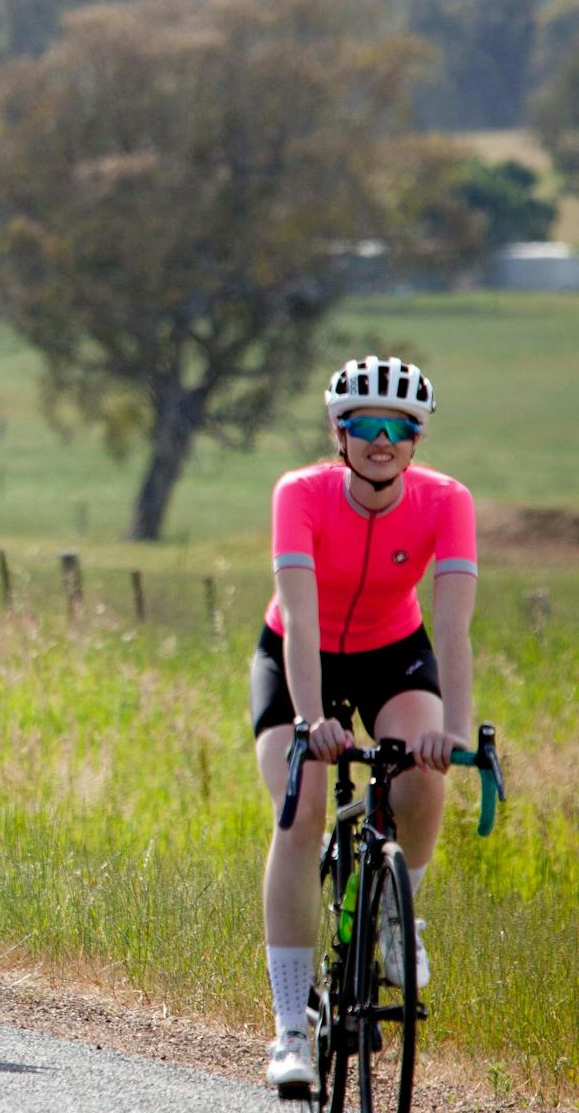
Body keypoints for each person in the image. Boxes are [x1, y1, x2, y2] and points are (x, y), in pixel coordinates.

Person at [252, 356, 476, 1091]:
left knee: (423, 775)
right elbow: (302, 619)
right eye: (364, 425)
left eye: (399, 427)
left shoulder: (446, 501)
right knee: (304, 809)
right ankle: (289, 1032)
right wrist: (313, 719)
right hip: (299, 653)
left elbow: (452, 634)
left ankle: (396, 917)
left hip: (393, 652)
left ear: (418, 437)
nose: (382, 440)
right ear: (337, 432)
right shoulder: (302, 493)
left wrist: (455, 734)